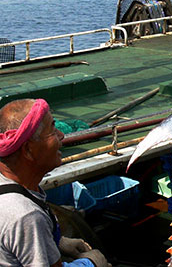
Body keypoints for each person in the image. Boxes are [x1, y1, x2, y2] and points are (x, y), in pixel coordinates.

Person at [0, 98, 111, 267]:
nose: (61, 135)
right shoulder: (27, 216)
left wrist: (56, 241)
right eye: (52, 130)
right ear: (28, 150)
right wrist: (91, 263)